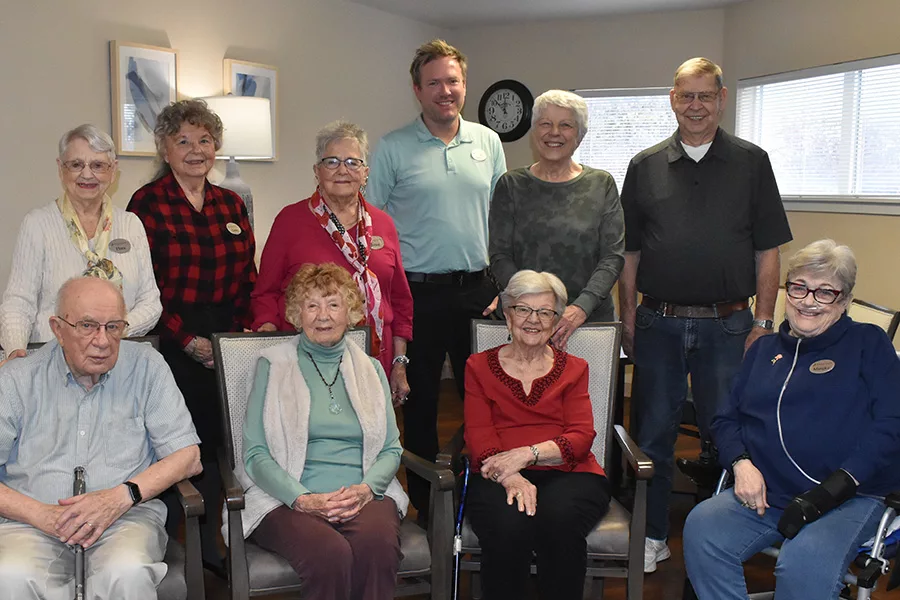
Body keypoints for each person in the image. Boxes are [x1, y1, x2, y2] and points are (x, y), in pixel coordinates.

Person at [617, 57, 793, 572]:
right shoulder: (644, 164)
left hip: (731, 325)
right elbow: (629, 255)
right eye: (685, 96)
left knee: (732, 435)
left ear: (721, 100)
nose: (695, 106)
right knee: (653, 433)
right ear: (673, 98)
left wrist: (763, 321)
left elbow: (768, 252)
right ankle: (652, 536)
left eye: (705, 96)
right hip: (657, 322)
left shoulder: (752, 161)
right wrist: (628, 317)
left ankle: (728, 537)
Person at [683, 240, 900, 599]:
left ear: (844, 299)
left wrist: (833, 490)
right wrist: (741, 464)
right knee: (703, 528)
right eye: (799, 287)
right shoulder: (764, 350)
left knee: (802, 561)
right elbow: (724, 419)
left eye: (825, 291)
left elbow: (892, 424)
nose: (809, 300)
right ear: (788, 291)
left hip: (849, 497)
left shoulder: (868, 344)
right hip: (768, 493)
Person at [367, 39, 507, 518]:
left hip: (479, 294)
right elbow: (372, 227)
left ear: (464, 85)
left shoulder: (488, 142)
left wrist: (501, 287)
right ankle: (429, 512)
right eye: (434, 83)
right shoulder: (392, 148)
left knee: (485, 402)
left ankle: (480, 498)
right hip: (416, 294)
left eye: (453, 81)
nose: (445, 91)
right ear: (417, 90)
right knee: (421, 405)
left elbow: (503, 221)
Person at [0, 276, 201, 599]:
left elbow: (188, 456)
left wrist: (120, 497)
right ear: (57, 328)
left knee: (126, 573)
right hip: (30, 524)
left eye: (113, 327)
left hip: (124, 520)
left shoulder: (147, 367)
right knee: (10, 576)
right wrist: (42, 515)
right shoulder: (16, 379)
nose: (103, 341)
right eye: (88, 326)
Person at [127, 98, 257, 572]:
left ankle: (210, 548)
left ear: (217, 146)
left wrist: (234, 337)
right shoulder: (147, 203)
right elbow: (144, 285)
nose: (196, 149)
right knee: (177, 447)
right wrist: (188, 341)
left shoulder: (229, 203)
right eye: (183, 140)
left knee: (222, 445)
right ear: (164, 147)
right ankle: (166, 546)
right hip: (170, 341)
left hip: (227, 341)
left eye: (204, 140)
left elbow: (249, 276)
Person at [239, 263, 407, 600]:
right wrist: (302, 499)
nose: (322, 315)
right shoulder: (272, 366)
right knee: (330, 554)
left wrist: (364, 490)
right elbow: (255, 454)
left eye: (333, 304)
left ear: (351, 312)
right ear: (297, 314)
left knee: (377, 547)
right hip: (289, 496)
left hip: (362, 491)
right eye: (311, 305)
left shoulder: (371, 369)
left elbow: (391, 447)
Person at [464, 270, 611, 600]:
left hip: (571, 473)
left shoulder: (575, 368)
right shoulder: (478, 366)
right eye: (523, 309)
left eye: (545, 312)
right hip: (496, 473)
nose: (534, 320)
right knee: (506, 525)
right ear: (507, 313)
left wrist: (525, 454)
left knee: (560, 520)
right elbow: (478, 434)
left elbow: (581, 436)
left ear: (556, 319)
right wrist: (510, 476)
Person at [251, 120, 413, 405]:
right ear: (317, 171)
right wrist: (269, 338)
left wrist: (399, 364)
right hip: (308, 357)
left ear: (365, 173)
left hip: (376, 357)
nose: (342, 170)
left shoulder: (384, 224)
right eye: (332, 161)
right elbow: (265, 292)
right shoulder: (290, 221)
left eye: (353, 162)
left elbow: (398, 300)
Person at [0, 124, 161, 358]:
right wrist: (16, 351)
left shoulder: (131, 224)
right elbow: (18, 301)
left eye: (98, 165)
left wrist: (111, 332)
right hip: (52, 359)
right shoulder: (37, 224)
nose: (87, 174)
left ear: (113, 170)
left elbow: (151, 302)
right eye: (76, 165)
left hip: (119, 359)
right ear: (60, 169)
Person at [489, 90, 624, 349]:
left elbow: (612, 257)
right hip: (526, 323)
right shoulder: (511, 185)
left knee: (588, 390)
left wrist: (580, 308)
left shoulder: (601, 184)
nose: (554, 132)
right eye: (545, 124)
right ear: (534, 131)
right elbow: (499, 255)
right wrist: (534, 310)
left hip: (588, 321)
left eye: (566, 125)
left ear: (580, 135)